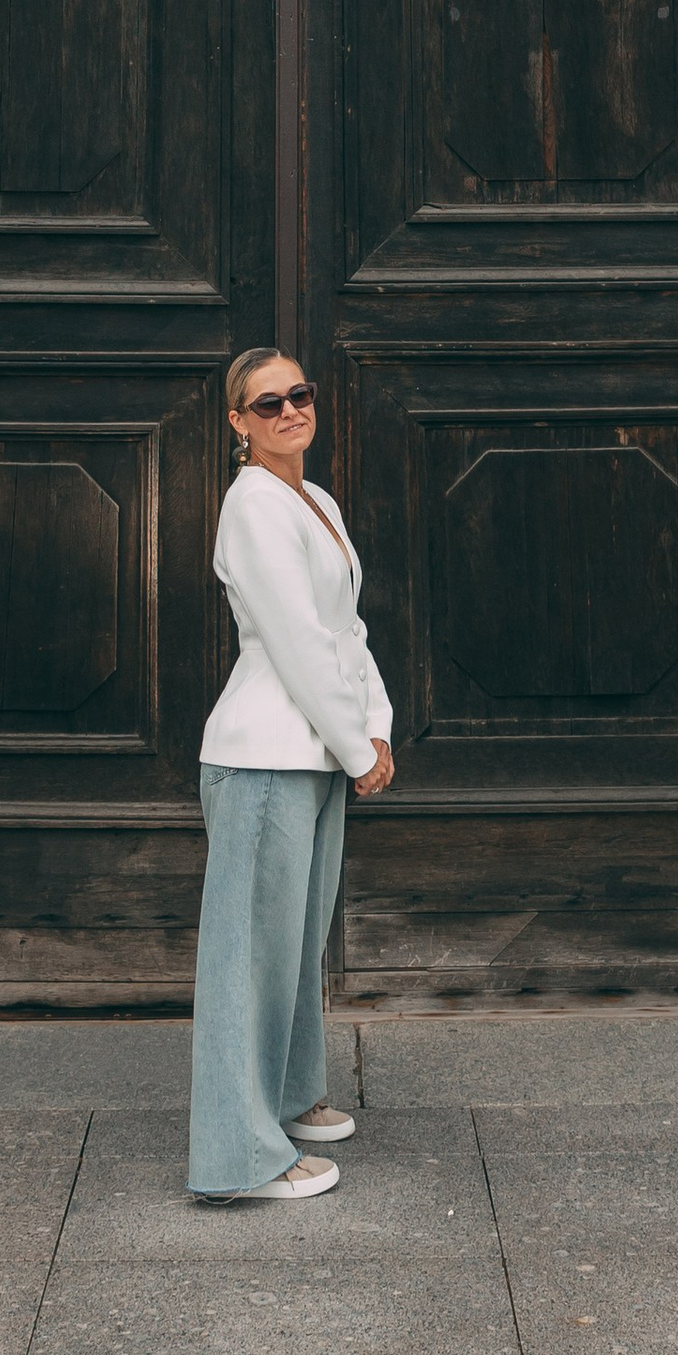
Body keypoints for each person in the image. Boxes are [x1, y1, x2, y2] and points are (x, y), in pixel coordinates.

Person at [188, 347, 395, 1202]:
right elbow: (297, 642)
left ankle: (285, 1099)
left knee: (295, 945)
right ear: (238, 423)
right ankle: (241, 1158)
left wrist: (374, 728)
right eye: (265, 403)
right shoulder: (252, 506)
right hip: (264, 755)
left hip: (308, 754)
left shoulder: (314, 499)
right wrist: (357, 747)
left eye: (297, 395)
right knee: (247, 959)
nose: (287, 412)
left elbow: (344, 630)